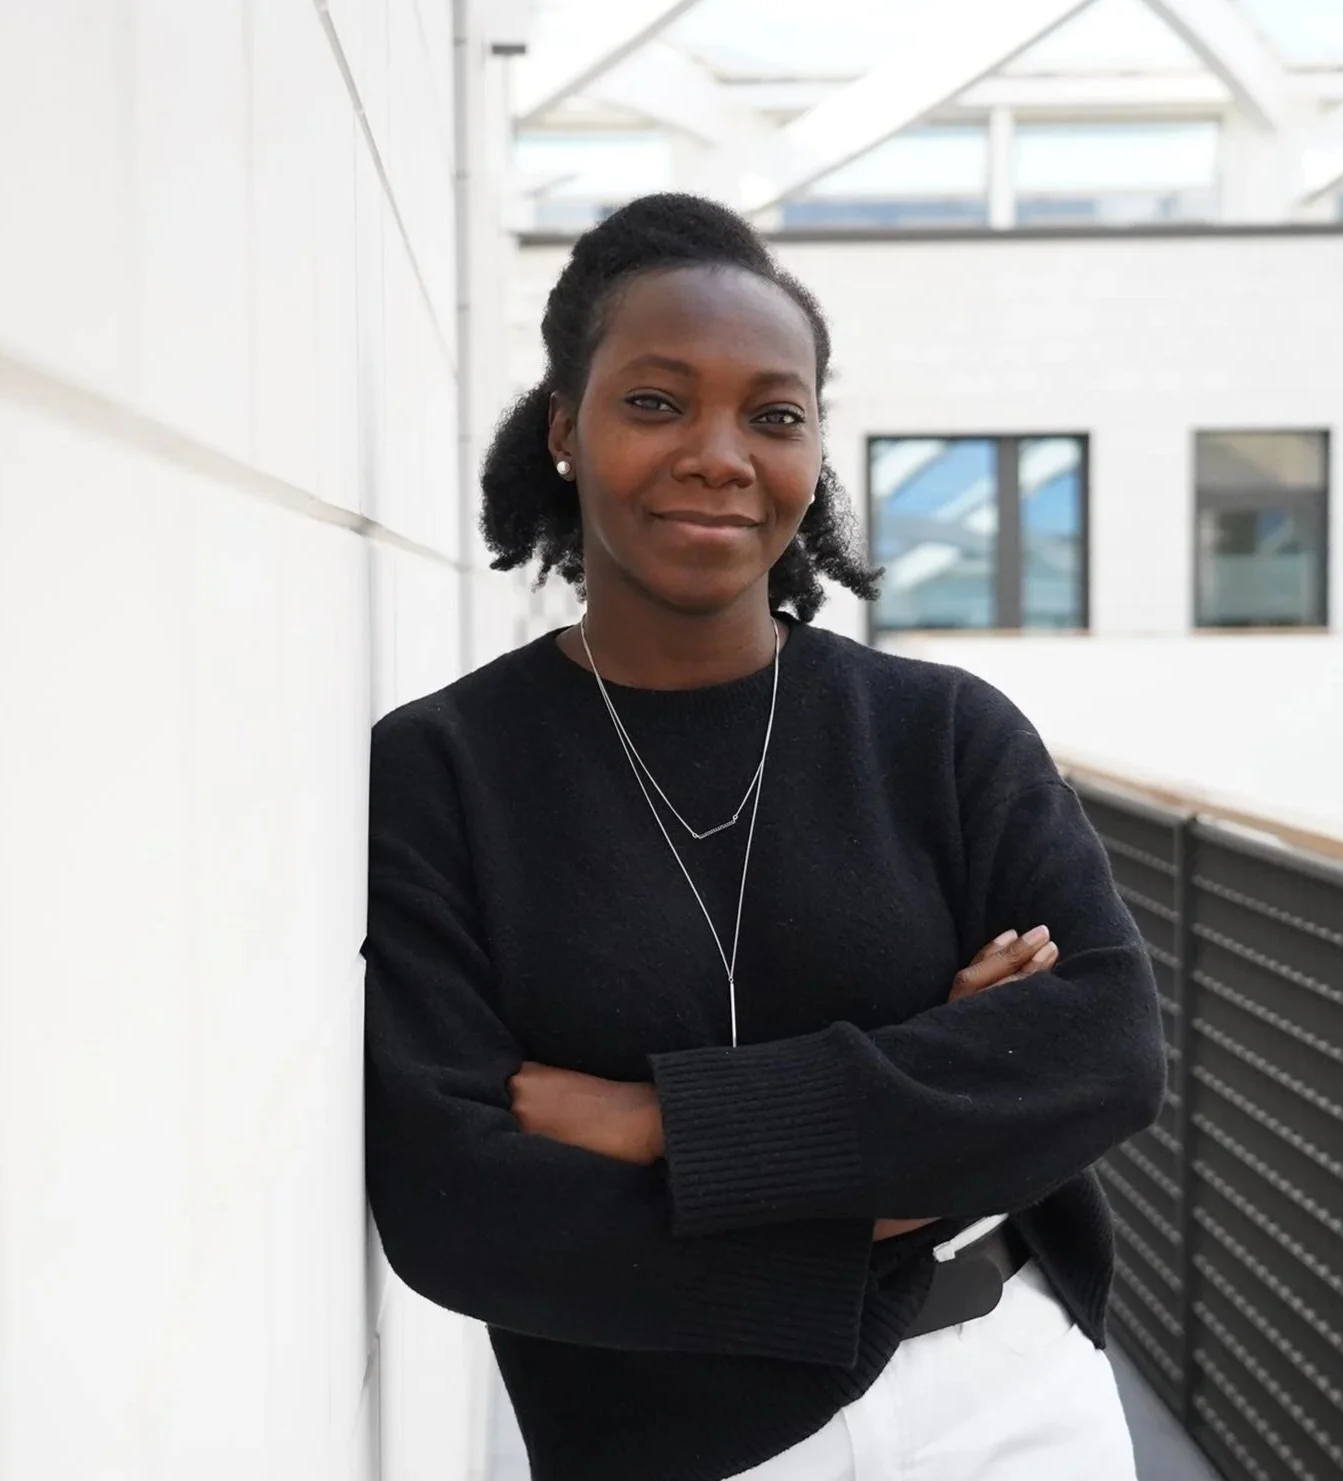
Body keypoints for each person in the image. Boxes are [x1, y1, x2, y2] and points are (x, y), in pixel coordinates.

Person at [361, 193, 1164, 1481]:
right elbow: (457, 1200)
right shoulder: (448, 766)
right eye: (656, 402)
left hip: (1010, 1394)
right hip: (672, 1443)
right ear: (564, 428)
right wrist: (912, 1169)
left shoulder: (941, 731)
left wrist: (665, 1124)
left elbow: (1104, 1046)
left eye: (775, 416)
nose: (720, 455)